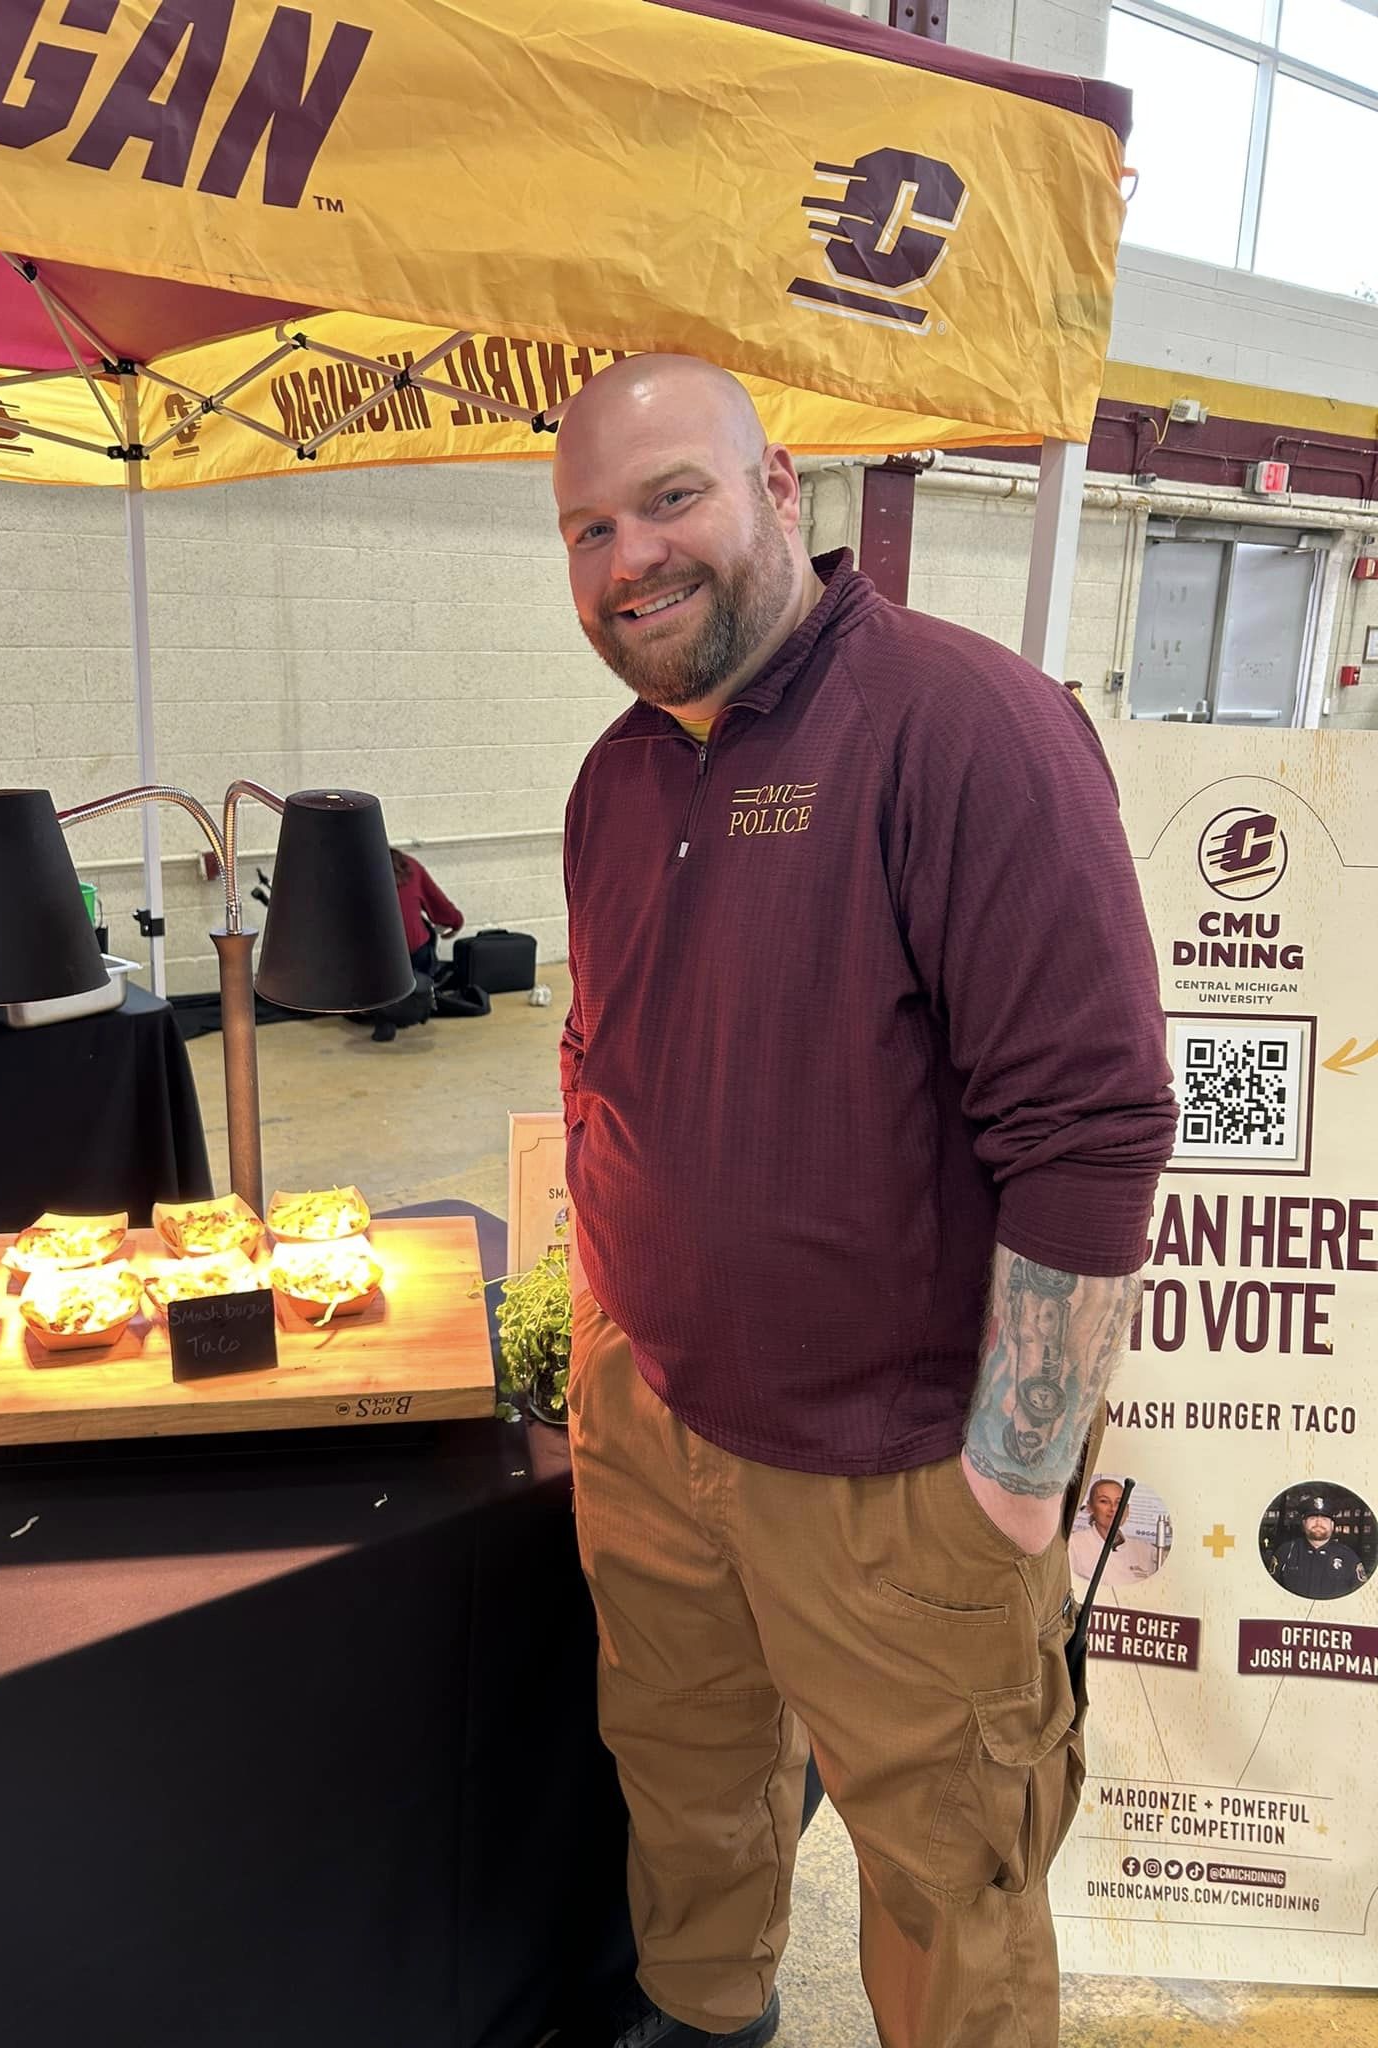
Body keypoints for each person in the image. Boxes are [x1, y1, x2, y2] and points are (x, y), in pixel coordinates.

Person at [552, 355, 1176, 2048]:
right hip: (654, 1422)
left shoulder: (961, 725)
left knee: (946, 1868)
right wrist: (603, 1332)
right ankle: (706, 2006)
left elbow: (1093, 1125)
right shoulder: (615, 777)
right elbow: (603, 1057)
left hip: (896, 1475)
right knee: (683, 1774)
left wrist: (1013, 1481)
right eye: (589, 526)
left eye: (670, 497)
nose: (629, 560)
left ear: (782, 488)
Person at [369, 848, 464, 1043]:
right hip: (412, 949)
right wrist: (456, 922)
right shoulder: (410, 866)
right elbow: (440, 906)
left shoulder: (351, 871)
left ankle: (383, 1016)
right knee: (425, 934)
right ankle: (422, 998)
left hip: (373, 959)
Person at [1271, 1494, 1369, 1600]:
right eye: (1312, 1518)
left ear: (1332, 1526)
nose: (1318, 1523)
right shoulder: (1285, 1553)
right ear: (1303, 1524)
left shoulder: (1349, 1558)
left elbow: (1362, 1598)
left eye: (1324, 1519)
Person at [1068, 1478, 1159, 1587]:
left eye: (1119, 1502)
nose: (1113, 1508)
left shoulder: (1145, 1550)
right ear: (1090, 1507)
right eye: (1104, 1501)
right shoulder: (1073, 1545)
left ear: (1127, 1510)